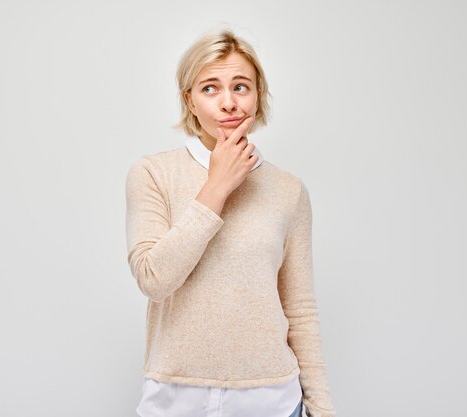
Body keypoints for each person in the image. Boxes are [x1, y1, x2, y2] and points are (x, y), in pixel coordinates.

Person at [125, 27, 337, 417]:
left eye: (241, 87)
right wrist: (217, 186)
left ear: (258, 97)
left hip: (270, 400)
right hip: (176, 398)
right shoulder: (153, 173)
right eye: (210, 88)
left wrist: (322, 408)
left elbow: (300, 308)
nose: (228, 103)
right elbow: (153, 279)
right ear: (189, 100)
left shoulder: (288, 190)